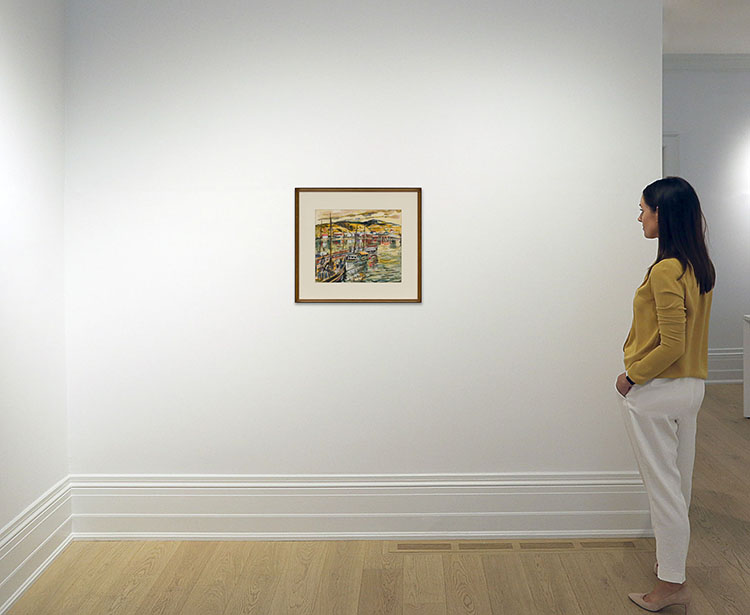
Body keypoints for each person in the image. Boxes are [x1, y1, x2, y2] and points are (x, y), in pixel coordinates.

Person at [615, 176, 715, 613]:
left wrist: (632, 376)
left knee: (664, 491)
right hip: (691, 389)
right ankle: (671, 572)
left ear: (663, 214)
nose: (639, 217)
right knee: (680, 487)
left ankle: (670, 585)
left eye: (643, 209)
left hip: (658, 391)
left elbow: (671, 343)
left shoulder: (665, 269)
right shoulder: (698, 266)